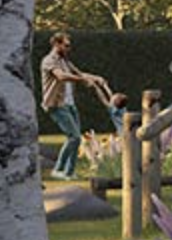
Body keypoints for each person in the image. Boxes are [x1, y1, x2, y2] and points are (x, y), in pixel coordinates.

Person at [36, 33, 114, 178]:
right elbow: (61, 76)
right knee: (74, 138)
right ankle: (58, 170)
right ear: (56, 45)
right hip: (56, 105)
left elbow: (79, 73)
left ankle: (69, 172)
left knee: (75, 139)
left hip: (70, 105)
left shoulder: (65, 61)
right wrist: (82, 81)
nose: (68, 48)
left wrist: (97, 78)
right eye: (66, 45)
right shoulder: (49, 61)